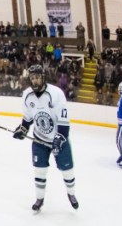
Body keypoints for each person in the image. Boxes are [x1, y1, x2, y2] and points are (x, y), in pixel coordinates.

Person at [12, 63, 79, 213]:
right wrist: (22, 129)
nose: (34, 81)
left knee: (67, 171)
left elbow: (64, 121)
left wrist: (60, 138)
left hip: (58, 138)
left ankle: (71, 195)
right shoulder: (27, 95)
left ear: (43, 78)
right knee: (39, 171)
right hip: (39, 139)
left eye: (37, 78)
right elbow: (28, 118)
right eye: (32, 78)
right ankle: (39, 199)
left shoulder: (55, 93)